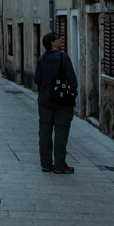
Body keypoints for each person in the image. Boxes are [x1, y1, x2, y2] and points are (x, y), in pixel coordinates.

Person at [33, 32, 78, 174]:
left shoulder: (42, 60)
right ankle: (60, 165)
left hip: (45, 100)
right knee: (61, 132)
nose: (61, 40)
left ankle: (46, 163)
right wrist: (72, 93)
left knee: (45, 132)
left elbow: (36, 80)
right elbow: (72, 79)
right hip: (62, 101)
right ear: (52, 43)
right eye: (58, 38)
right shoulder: (63, 58)